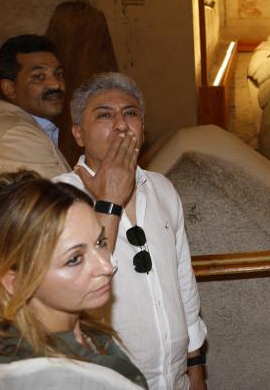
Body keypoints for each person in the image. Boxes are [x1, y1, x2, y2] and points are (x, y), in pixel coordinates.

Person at [53, 72, 208, 390]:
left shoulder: (162, 188)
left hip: (175, 378)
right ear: (78, 134)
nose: (122, 125)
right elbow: (73, 291)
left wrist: (195, 370)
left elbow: (183, 283)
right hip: (105, 380)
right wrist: (107, 202)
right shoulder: (57, 198)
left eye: (131, 113)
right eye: (105, 115)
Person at [0, 170, 148, 389]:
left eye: (100, 242)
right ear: (16, 282)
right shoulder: (40, 380)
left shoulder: (87, 331)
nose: (107, 266)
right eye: (74, 259)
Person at [0, 34, 70, 202]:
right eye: (39, 76)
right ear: (9, 88)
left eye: (59, 73)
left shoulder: (17, 128)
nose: (55, 84)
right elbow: (59, 211)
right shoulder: (15, 135)